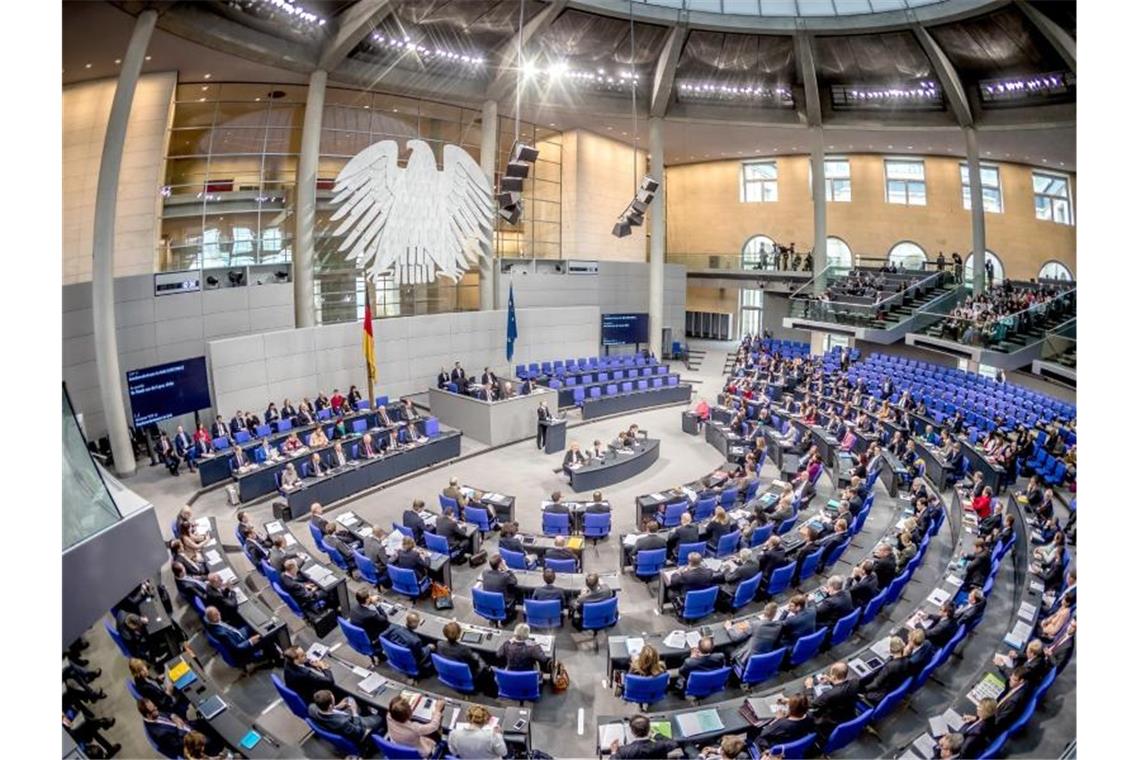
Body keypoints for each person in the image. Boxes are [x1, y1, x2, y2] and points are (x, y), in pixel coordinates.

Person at [804, 662, 860, 739]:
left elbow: (810, 704)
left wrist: (809, 687)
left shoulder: (828, 695)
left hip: (831, 722)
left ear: (834, 676)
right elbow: (842, 686)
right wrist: (831, 680)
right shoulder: (854, 683)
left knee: (808, 714)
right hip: (848, 715)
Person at [309, 689, 384, 746]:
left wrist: (336, 707)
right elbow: (358, 732)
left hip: (340, 716)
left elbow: (326, 710)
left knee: (349, 698)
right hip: (357, 724)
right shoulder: (342, 723)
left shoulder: (312, 707)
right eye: (333, 700)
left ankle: (364, 710)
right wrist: (354, 712)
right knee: (380, 716)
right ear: (329, 706)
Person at [203, 606, 272, 666]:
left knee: (252, 625)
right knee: (266, 636)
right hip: (241, 649)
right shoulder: (221, 634)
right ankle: (272, 657)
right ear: (214, 618)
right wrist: (250, 641)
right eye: (217, 613)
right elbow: (237, 648)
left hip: (237, 635)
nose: (219, 613)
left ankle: (268, 625)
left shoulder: (212, 623)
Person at [437, 621, 490, 691]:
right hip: (465, 673)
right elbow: (474, 663)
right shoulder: (464, 649)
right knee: (478, 657)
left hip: (449, 670)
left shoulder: (440, 644)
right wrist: (476, 657)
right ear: (459, 635)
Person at [726, 602, 781, 667]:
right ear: (775, 614)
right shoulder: (778, 627)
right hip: (763, 657)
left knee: (726, 648)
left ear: (764, 611)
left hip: (747, 659)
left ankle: (730, 668)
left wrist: (729, 628)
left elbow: (735, 637)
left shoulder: (756, 624)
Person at [859, 636, 909, 704]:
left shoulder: (890, 666)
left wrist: (862, 689)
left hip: (878, 694)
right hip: (890, 687)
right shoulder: (906, 660)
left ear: (891, 649)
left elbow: (876, 684)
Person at [610, 714, 680, 759]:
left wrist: (614, 752)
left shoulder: (623, 751)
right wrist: (656, 735)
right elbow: (673, 743)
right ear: (649, 729)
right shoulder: (661, 745)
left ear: (632, 732)